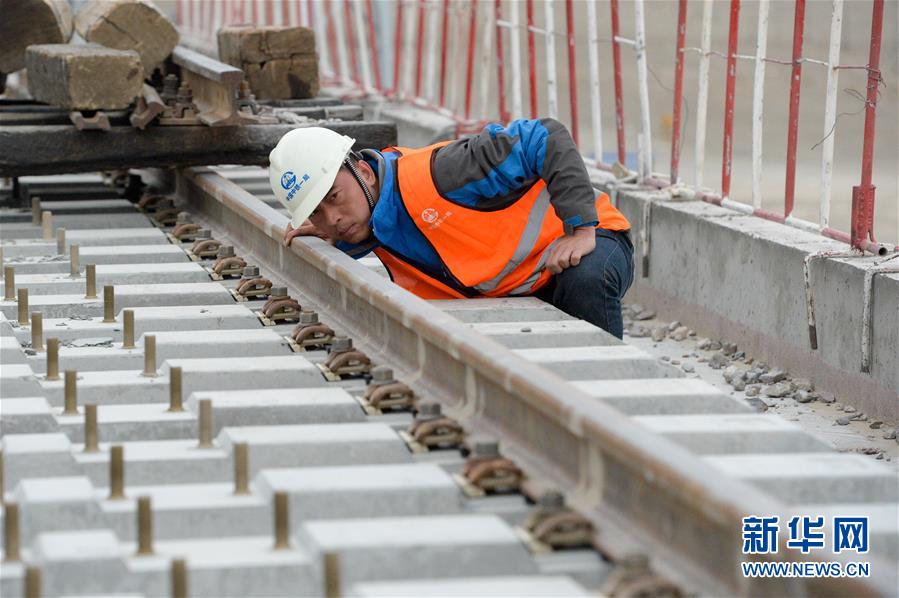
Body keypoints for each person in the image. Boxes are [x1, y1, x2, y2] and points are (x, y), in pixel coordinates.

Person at [269, 119, 634, 338]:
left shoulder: (445, 171)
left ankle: (611, 399)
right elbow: (396, 229)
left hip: (588, 244)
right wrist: (333, 236)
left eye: (334, 197)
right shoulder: (370, 215)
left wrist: (581, 229)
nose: (332, 218)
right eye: (316, 213)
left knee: (587, 279)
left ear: (364, 172)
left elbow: (546, 135)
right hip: (524, 283)